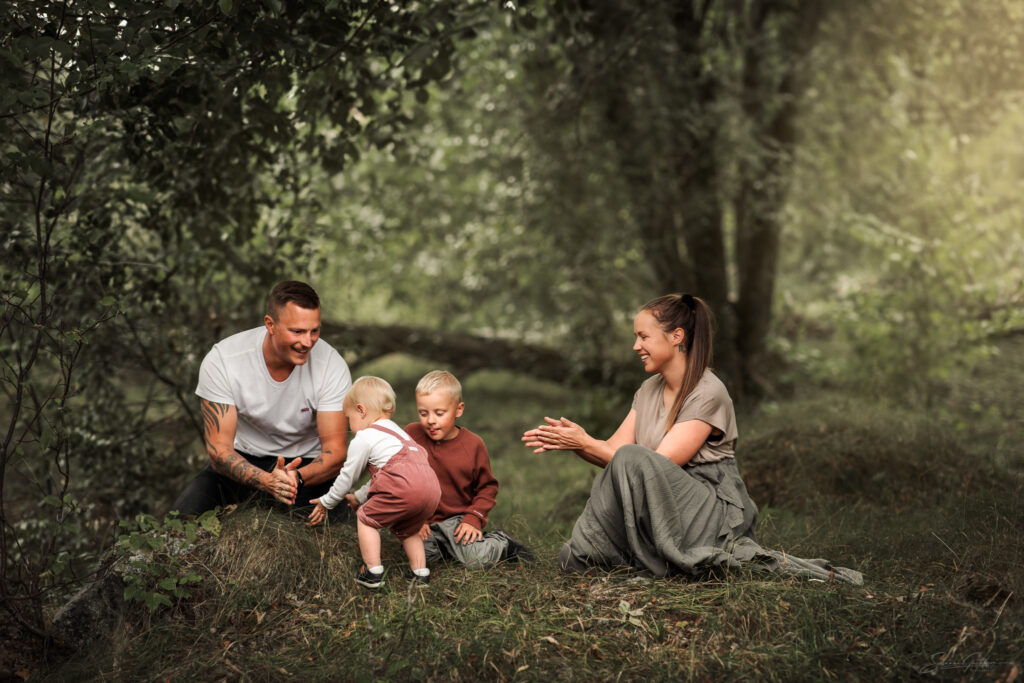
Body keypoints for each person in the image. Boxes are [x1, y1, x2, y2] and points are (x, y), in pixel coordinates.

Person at [523, 294, 862, 584]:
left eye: (643, 336)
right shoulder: (648, 389)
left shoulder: (708, 392)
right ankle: (628, 556)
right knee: (574, 558)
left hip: (707, 508)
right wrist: (575, 442)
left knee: (631, 458)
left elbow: (659, 465)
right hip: (662, 501)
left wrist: (586, 442)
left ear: (676, 336)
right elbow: (613, 452)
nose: (636, 346)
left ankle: (665, 560)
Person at [171, 281, 352, 516]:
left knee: (345, 527)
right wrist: (267, 481)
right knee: (180, 520)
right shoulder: (224, 359)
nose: (308, 342)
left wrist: (294, 477)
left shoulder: (331, 365)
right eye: (297, 331)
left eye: (314, 331)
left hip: (306, 468)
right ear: (270, 325)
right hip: (243, 461)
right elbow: (219, 450)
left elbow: (335, 452)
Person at [308, 376, 441, 589]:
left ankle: (372, 572)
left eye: (348, 418)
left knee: (366, 519)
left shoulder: (365, 437)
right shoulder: (400, 436)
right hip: (432, 490)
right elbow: (388, 478)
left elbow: (347, 476)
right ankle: (420, 573)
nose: (349, 424)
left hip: (405, 487)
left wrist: (328, 501)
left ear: (361, 410)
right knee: (410, 530)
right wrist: (358, 497)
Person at [404, 370, 531, 568]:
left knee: (475, 561)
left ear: (459, 410)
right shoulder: (412, 435)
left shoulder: (473, 445)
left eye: (439, 413)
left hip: (458, 520)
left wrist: (474, 517)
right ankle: (446, 549)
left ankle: (503, 543)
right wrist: (414, 518)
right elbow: (402, 478)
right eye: (423, 413)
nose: (430, 420)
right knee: (419, 559)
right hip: (424, 520)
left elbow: (487, 488)